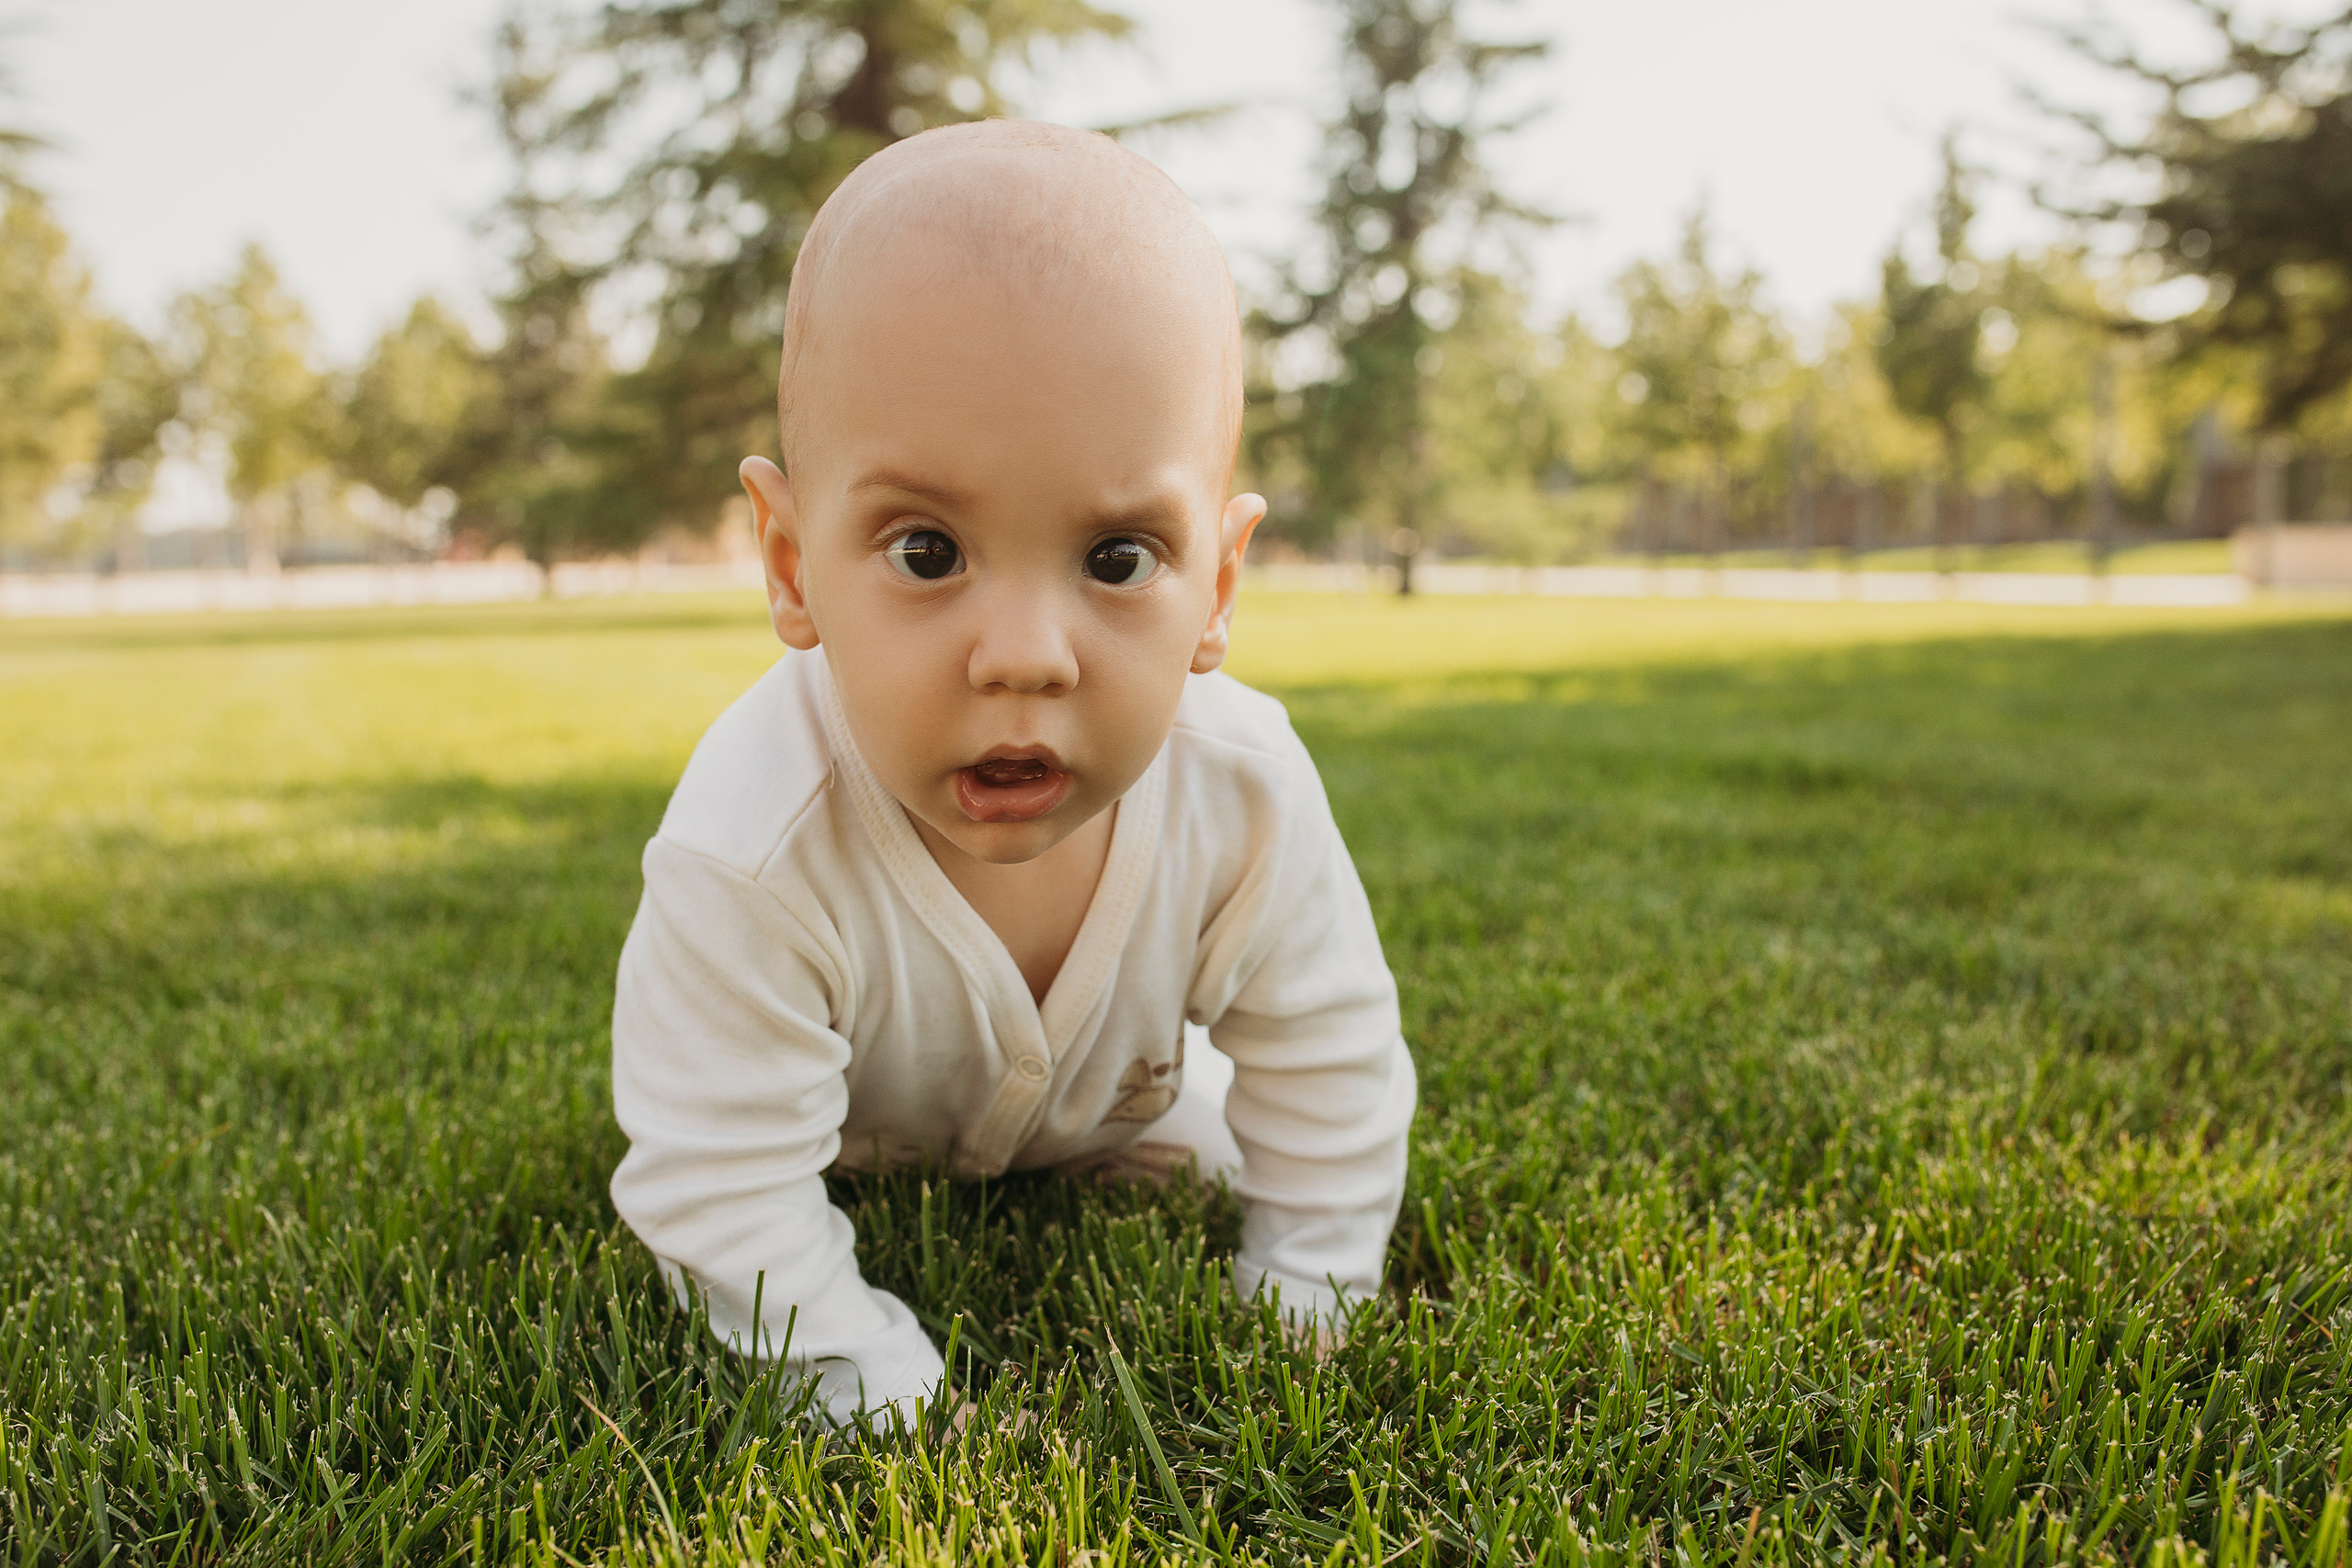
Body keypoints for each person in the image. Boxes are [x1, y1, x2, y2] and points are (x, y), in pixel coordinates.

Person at [608, 118, 1416, 1428]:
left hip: (1114, 1125)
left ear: (1217, 587)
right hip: (845, 1150)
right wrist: (883, 1397)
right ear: (793, 566)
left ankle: (1134, 1134)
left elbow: (1331, 1059)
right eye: (927, 553)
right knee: (749, 1172)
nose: (1029, 656)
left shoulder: (1244, 794)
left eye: (1116, 560)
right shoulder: (752, 840)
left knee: (1210, 1147)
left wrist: (1307, 1293)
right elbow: (717, 1184)